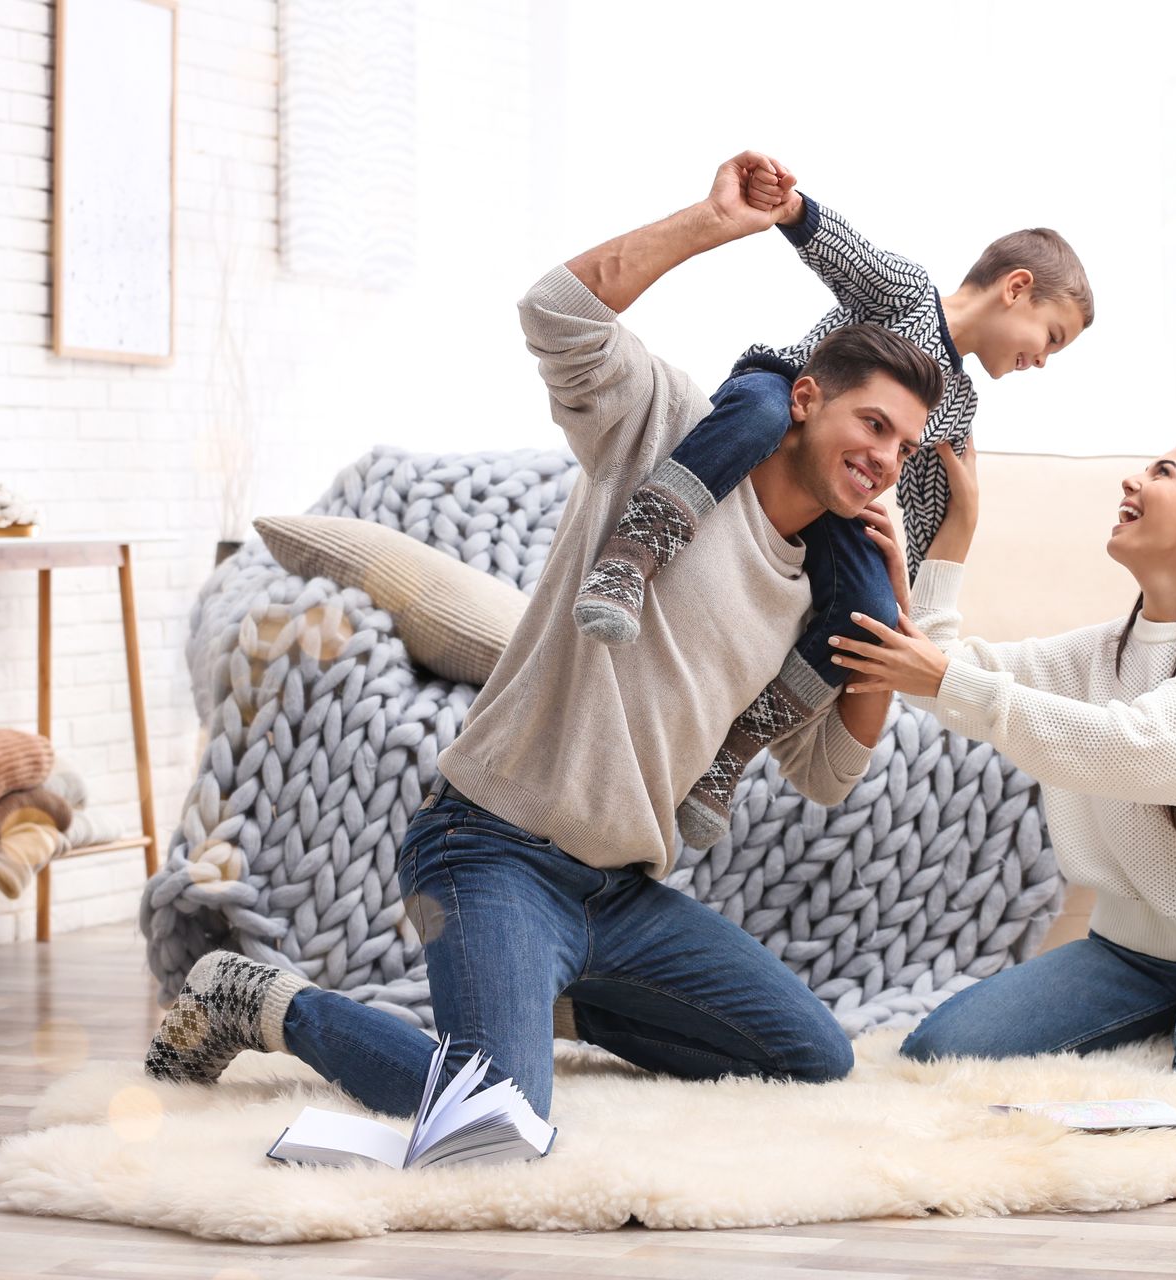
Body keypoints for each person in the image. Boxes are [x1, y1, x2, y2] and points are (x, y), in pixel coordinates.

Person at [143, 152, 941, 1125]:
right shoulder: (669, 428)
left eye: (904, 446)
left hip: (620, 895)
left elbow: (827, 772)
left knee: (811, 1053)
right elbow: (556, 312)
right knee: (495, 1115)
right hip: (490, 849)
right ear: (807, 399)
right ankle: (263, 998)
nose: (886, 460)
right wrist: (709, 222)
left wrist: (888, 612)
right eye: (874, 423)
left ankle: (546, 994)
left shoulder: (826, 582)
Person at [571, 156, 1095, 849]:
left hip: (835, 498)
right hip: (782, 401)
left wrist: (958, 527)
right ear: (1017, 288)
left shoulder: (956, 409)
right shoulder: (908, 295)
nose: (1043, 362)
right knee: (761, 414)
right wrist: (788, 208)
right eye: (1050, 338)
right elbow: (853, 259)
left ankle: (731, 754)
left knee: (872, 615)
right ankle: (628, 558)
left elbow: (929, 517)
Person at [830, 441, 1176, 1071]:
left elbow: (1146, 748)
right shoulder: (1099, 652)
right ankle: (1173, 1012)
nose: (1132, 478)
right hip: (1127, 956)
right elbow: (940, 679)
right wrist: (956, 532)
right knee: (940, 1050)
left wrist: (947, 681)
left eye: (1162, 472)